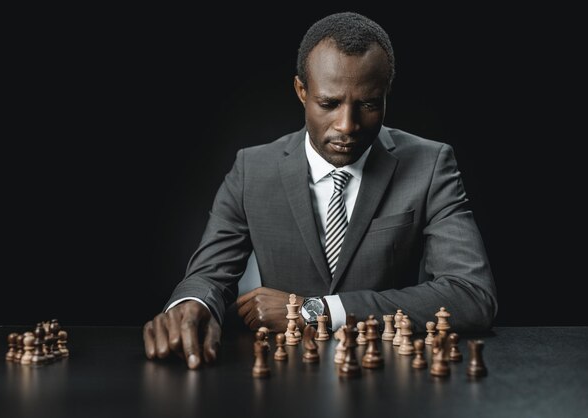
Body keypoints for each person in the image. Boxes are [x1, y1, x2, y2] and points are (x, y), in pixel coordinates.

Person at [143, 12, 497, 369]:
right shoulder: (253, 169)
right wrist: (191, 306)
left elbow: (472, 295)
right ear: (302, 91)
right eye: (329, 104)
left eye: (369, 104)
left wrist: (315, 311)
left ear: (386, 93)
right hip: (280, 383)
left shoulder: (430, 165)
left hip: (388, 378)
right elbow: (208, 277)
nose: (347, 125)